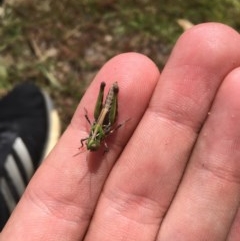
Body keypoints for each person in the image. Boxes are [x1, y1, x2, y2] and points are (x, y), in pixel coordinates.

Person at [1, 22, 240, 241]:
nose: (92, 148)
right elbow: (94, 141)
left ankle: (112, 91)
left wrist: (105, 126)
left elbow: (101, 136)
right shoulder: (95, 142)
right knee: (101, 115)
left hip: (103, 122)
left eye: (92, 146)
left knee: (106, 115)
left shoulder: (99, 141)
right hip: (100, 124)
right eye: (91, 147)